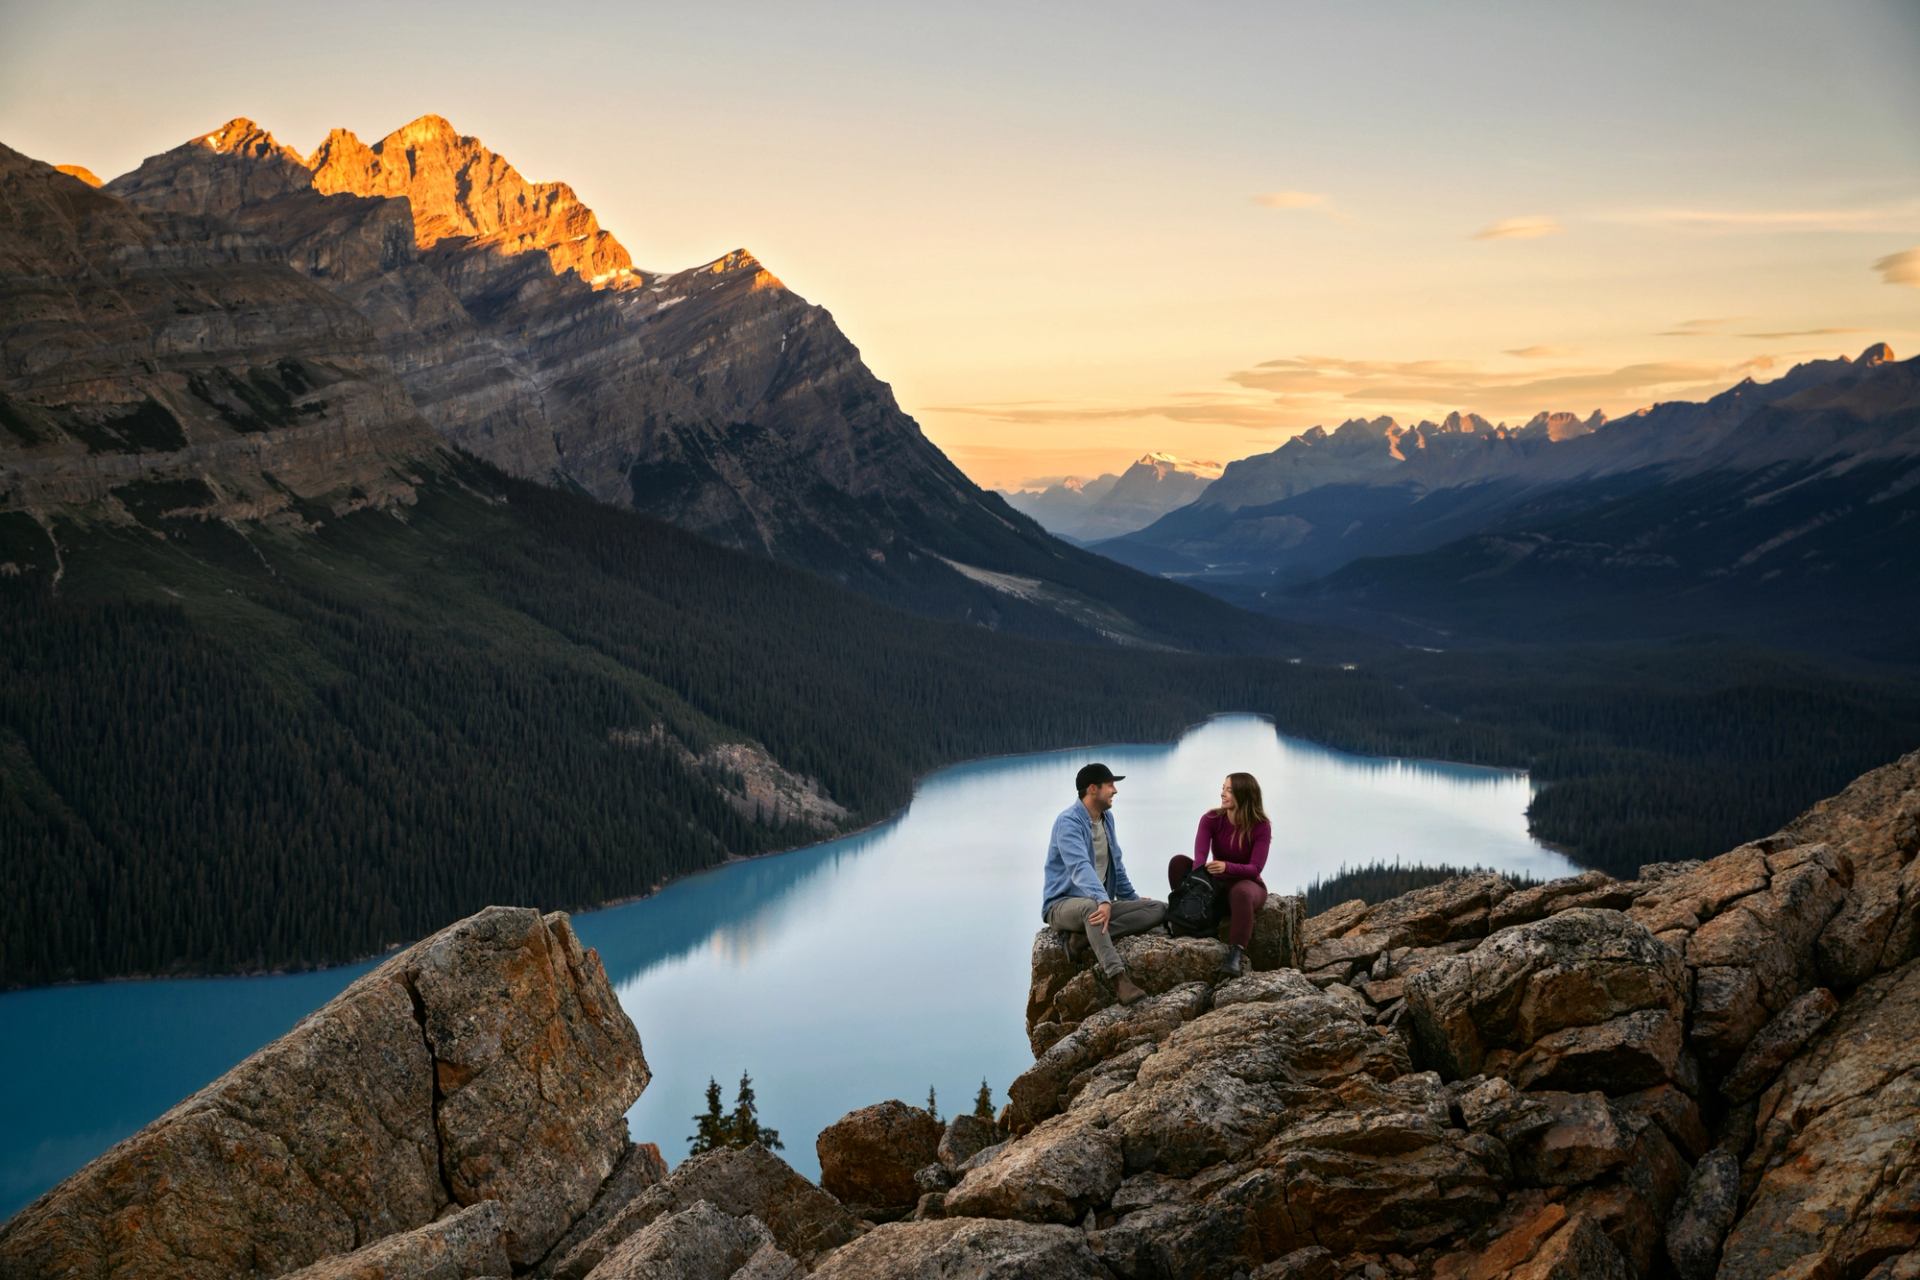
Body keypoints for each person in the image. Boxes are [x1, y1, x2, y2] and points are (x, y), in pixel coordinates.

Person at [1042, 762, 1167, 1005]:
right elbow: (1079, 867)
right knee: (1092, 909)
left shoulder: (1106, 819)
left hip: (1099, 902)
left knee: (1157, 909)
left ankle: (1082, 939)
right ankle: (1119, 980)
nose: (1115, 791)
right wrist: (1102, 899)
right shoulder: (1068, 822)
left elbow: (1116, 866)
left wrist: (1132, 899)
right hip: (1062, 905)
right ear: (1092, 789)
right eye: (1110, 785)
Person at [1168, 772, 1271, 978]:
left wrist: (1227, 867)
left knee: (1241, 892)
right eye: (1223, 788)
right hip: (1216, 885)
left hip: (1247, 884)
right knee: (1178, 863)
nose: (1222, 793)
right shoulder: (1211, 818)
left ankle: (1235, 954)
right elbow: (1199, 857)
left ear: (1244, 795)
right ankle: (1189, 917)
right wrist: (1199, 881)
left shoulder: (1261, 826)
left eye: (1229, 790)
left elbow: (1255, 869)